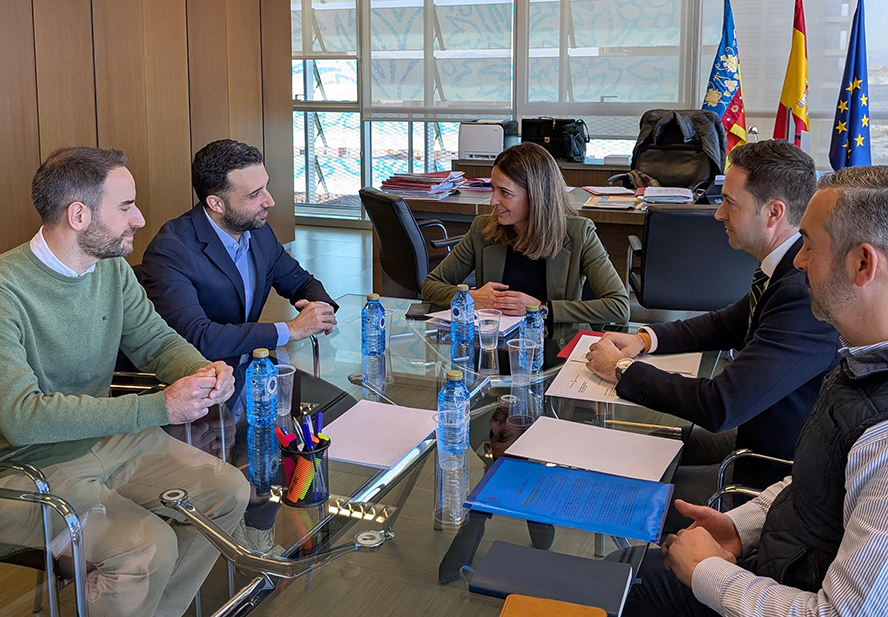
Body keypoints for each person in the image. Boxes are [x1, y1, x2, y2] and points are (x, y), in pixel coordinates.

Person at [621, 165, 888, 617]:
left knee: (616, 580)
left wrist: (707, 570)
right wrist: (737, 526)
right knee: (624, 568)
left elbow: (838, 613)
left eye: (809, 244)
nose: (798, 260)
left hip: (773, 584)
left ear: (863, 263)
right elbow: (812, 481)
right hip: (771, 551)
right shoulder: (857, 359)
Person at [0, 146, 251, 617]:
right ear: (78, 215)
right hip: (24, 467)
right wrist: (161, 407)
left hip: (106, 439)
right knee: (148, 547)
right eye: (125, 207)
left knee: (227, 493)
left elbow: (155, 340)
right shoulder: (5, 292)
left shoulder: (110, 268)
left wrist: (201, 371)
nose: (139, 218)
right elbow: (22, 420)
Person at [584, 140, 839, 516]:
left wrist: (620, 369)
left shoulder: (801, 290)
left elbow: (720, 404)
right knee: (642, 446)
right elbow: (728, 322)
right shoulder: (782, 268)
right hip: (758, 435)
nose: (718, 214)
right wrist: (645, 338)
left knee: (620, 493)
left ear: (773, 213)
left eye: (730, 203)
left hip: (773, 476)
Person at [141, 139, 338, 367]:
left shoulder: (258, 232)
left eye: (266, 186)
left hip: (250, 366)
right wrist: (291, 330)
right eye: (254, 194)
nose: (270, 201)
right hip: (203, 379)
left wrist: (321, 309)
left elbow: (300, 282)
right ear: (216, 204)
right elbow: (198, 338)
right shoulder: (170, 251)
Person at [421, 142, 630, 326]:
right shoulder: (482, 229)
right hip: (492, 348)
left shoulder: (580, 234)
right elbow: (430, 285)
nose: (493, 201)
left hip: (555, 352)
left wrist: (541, 308)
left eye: (505, 193)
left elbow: (619, 307)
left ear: (536, 196)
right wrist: (469, 297)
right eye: (493, 189)